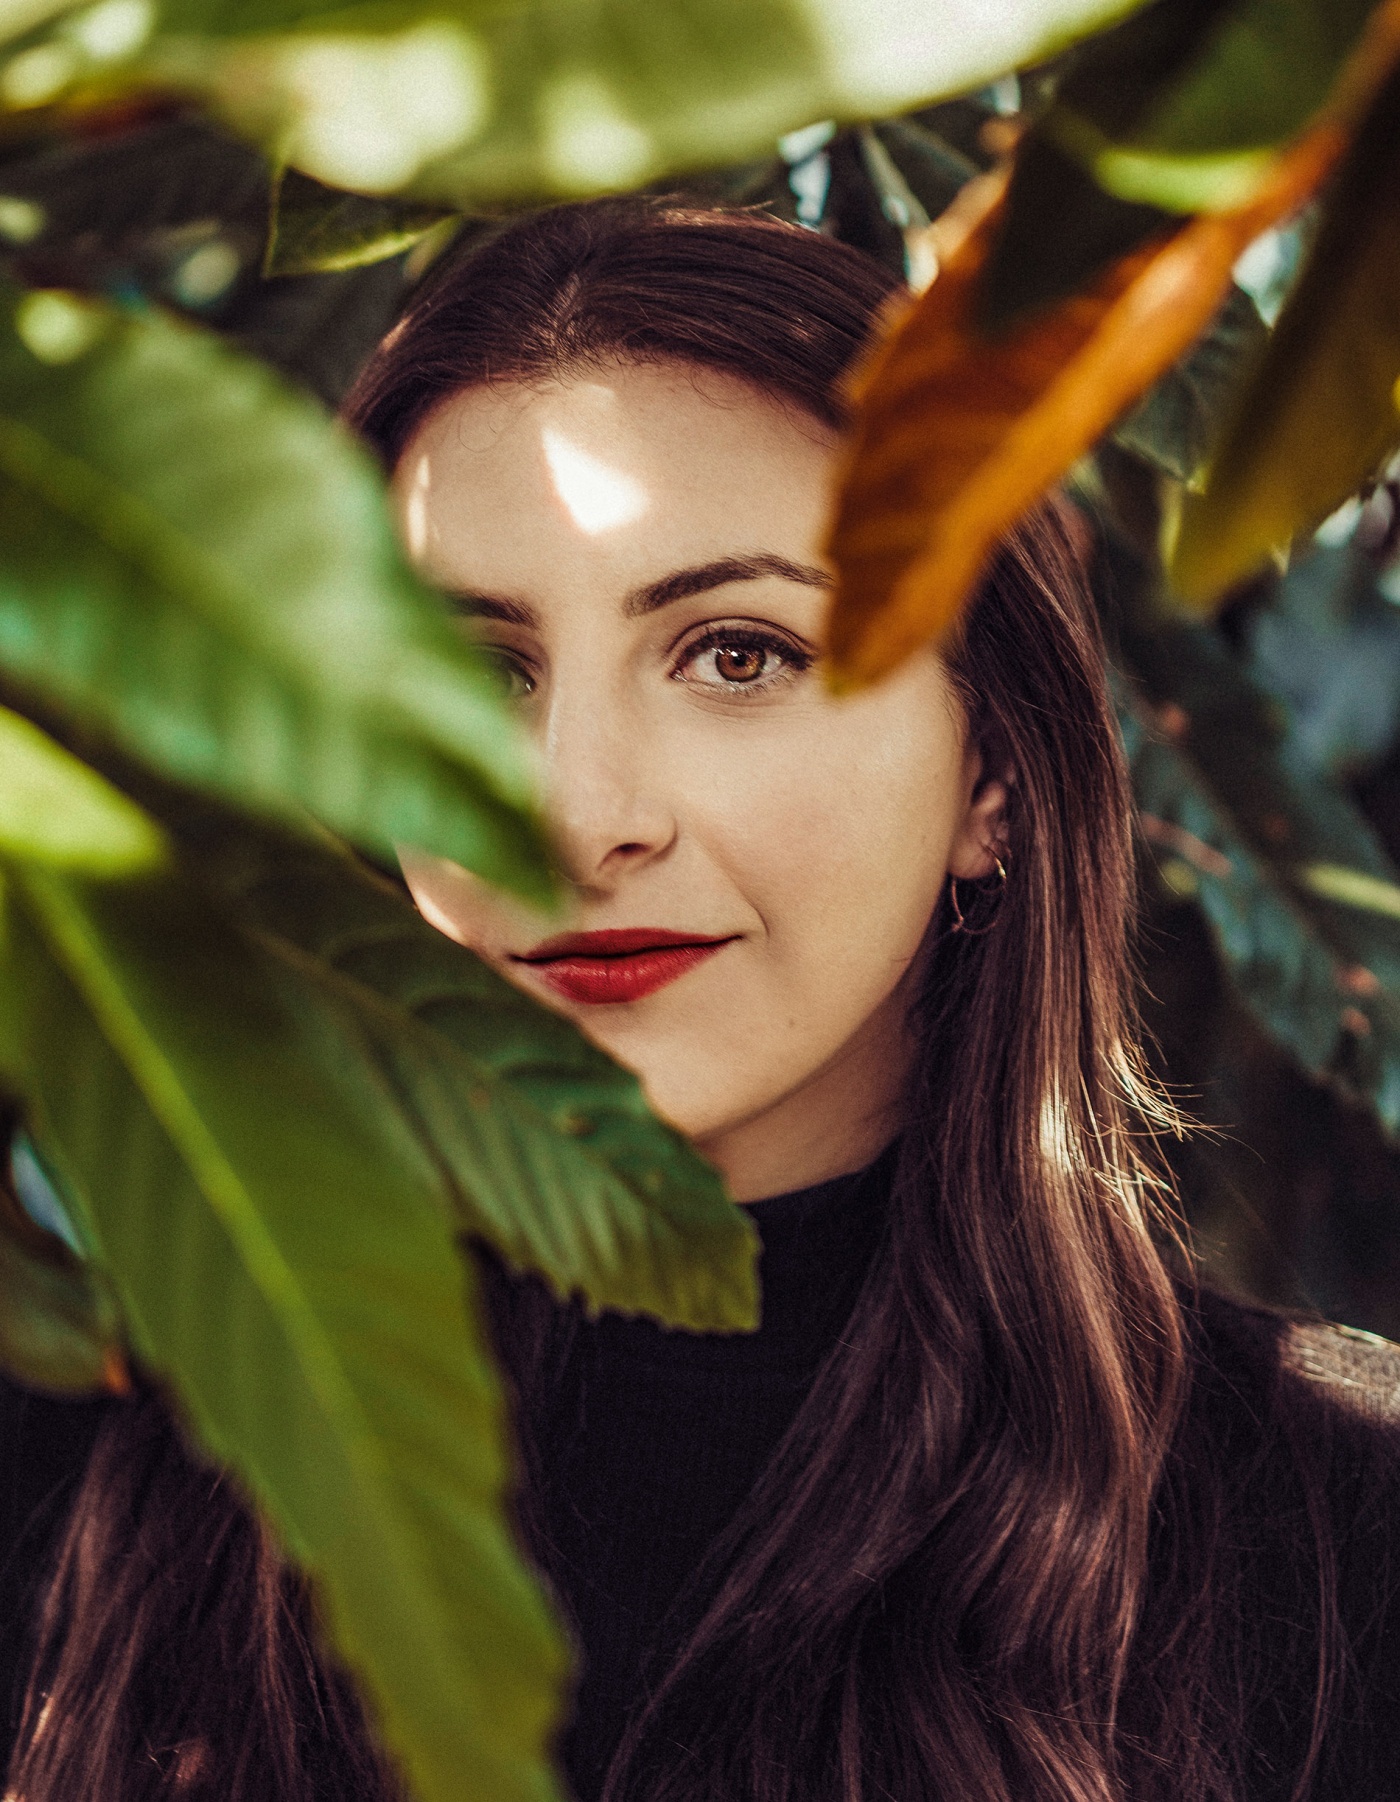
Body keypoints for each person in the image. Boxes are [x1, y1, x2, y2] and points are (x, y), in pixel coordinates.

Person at [4, 197, 1400, 1802]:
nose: (580, 814)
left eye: (737, 653)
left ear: (994, 771)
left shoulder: (1342, 1522)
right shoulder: (100, 1458)